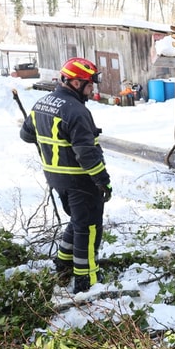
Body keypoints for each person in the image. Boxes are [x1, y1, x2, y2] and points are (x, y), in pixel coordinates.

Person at [20, 57, 112, 293]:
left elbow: (27, 135)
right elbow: (86, 153)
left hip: (56, 179)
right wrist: (102, 180)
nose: (92, 90)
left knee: (77, 221)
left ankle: (62, 263)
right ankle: (86, 280)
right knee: (89, 227)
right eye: (90, 85)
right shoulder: (77, 111)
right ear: (75, 82)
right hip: (80, 179)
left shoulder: (41, 103)